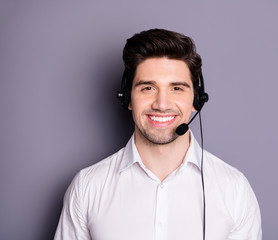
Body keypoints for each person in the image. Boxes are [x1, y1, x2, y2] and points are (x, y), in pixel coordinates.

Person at [54, 29, 261, 240]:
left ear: (196, 101)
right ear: (127, 98)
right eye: (148, 88)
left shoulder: (235, 189)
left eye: (177, 88)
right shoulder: (87, 187)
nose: (162, 105)